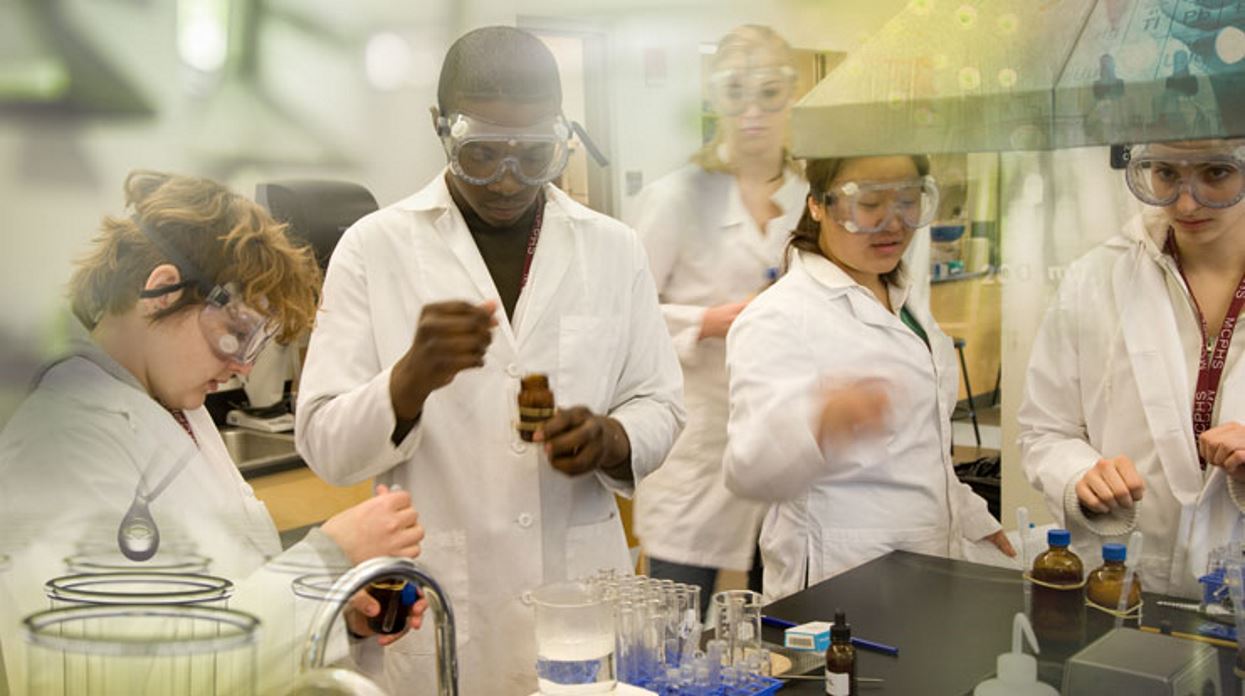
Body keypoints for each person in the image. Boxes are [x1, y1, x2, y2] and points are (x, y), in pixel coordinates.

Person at [294, 26, 685, 695]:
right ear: (440, 129)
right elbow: (325, 445)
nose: (507, 178)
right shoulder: (373, 248)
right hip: (444, 603)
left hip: (577, 597)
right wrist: (406, 383)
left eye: (534, 155)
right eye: (481, 153)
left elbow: (660, 403)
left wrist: (609, 438)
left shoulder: (612, 247)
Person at [0, 171, 427, 695]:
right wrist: (326, 557)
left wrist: (335, 612)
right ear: (160, 290)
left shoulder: (177, 410)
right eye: (237, 334)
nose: (244, 368)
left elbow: (226, 599)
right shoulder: (59, 442)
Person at [723, 154, 1013, 602]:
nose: (893, 223)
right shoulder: (778, 318)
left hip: (925, 564)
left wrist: (972, 518)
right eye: (870, 203)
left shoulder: (900, 295)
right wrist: (818, 424)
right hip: (839, 578)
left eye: (910, 201)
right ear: (817, 205)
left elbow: (924, 446)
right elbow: (747, 471)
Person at [1019, 139, 1245, 597]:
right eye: (1164, 173)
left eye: (1216, 173)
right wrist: (1080, 474)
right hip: (1125, 577)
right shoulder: (1096, 277)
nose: (1186, 201)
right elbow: (1044, 431)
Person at [631, 25, 806, 613]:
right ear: (714, 98)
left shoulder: (812, 199)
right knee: (672, 621)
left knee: (776, 626)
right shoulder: (677, 197)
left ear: (792, 93)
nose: (752, 111)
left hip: (784, 440)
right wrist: (709, 320)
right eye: (735, 93)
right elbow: (622, 318)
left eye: (769, 92)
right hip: (697, 441)